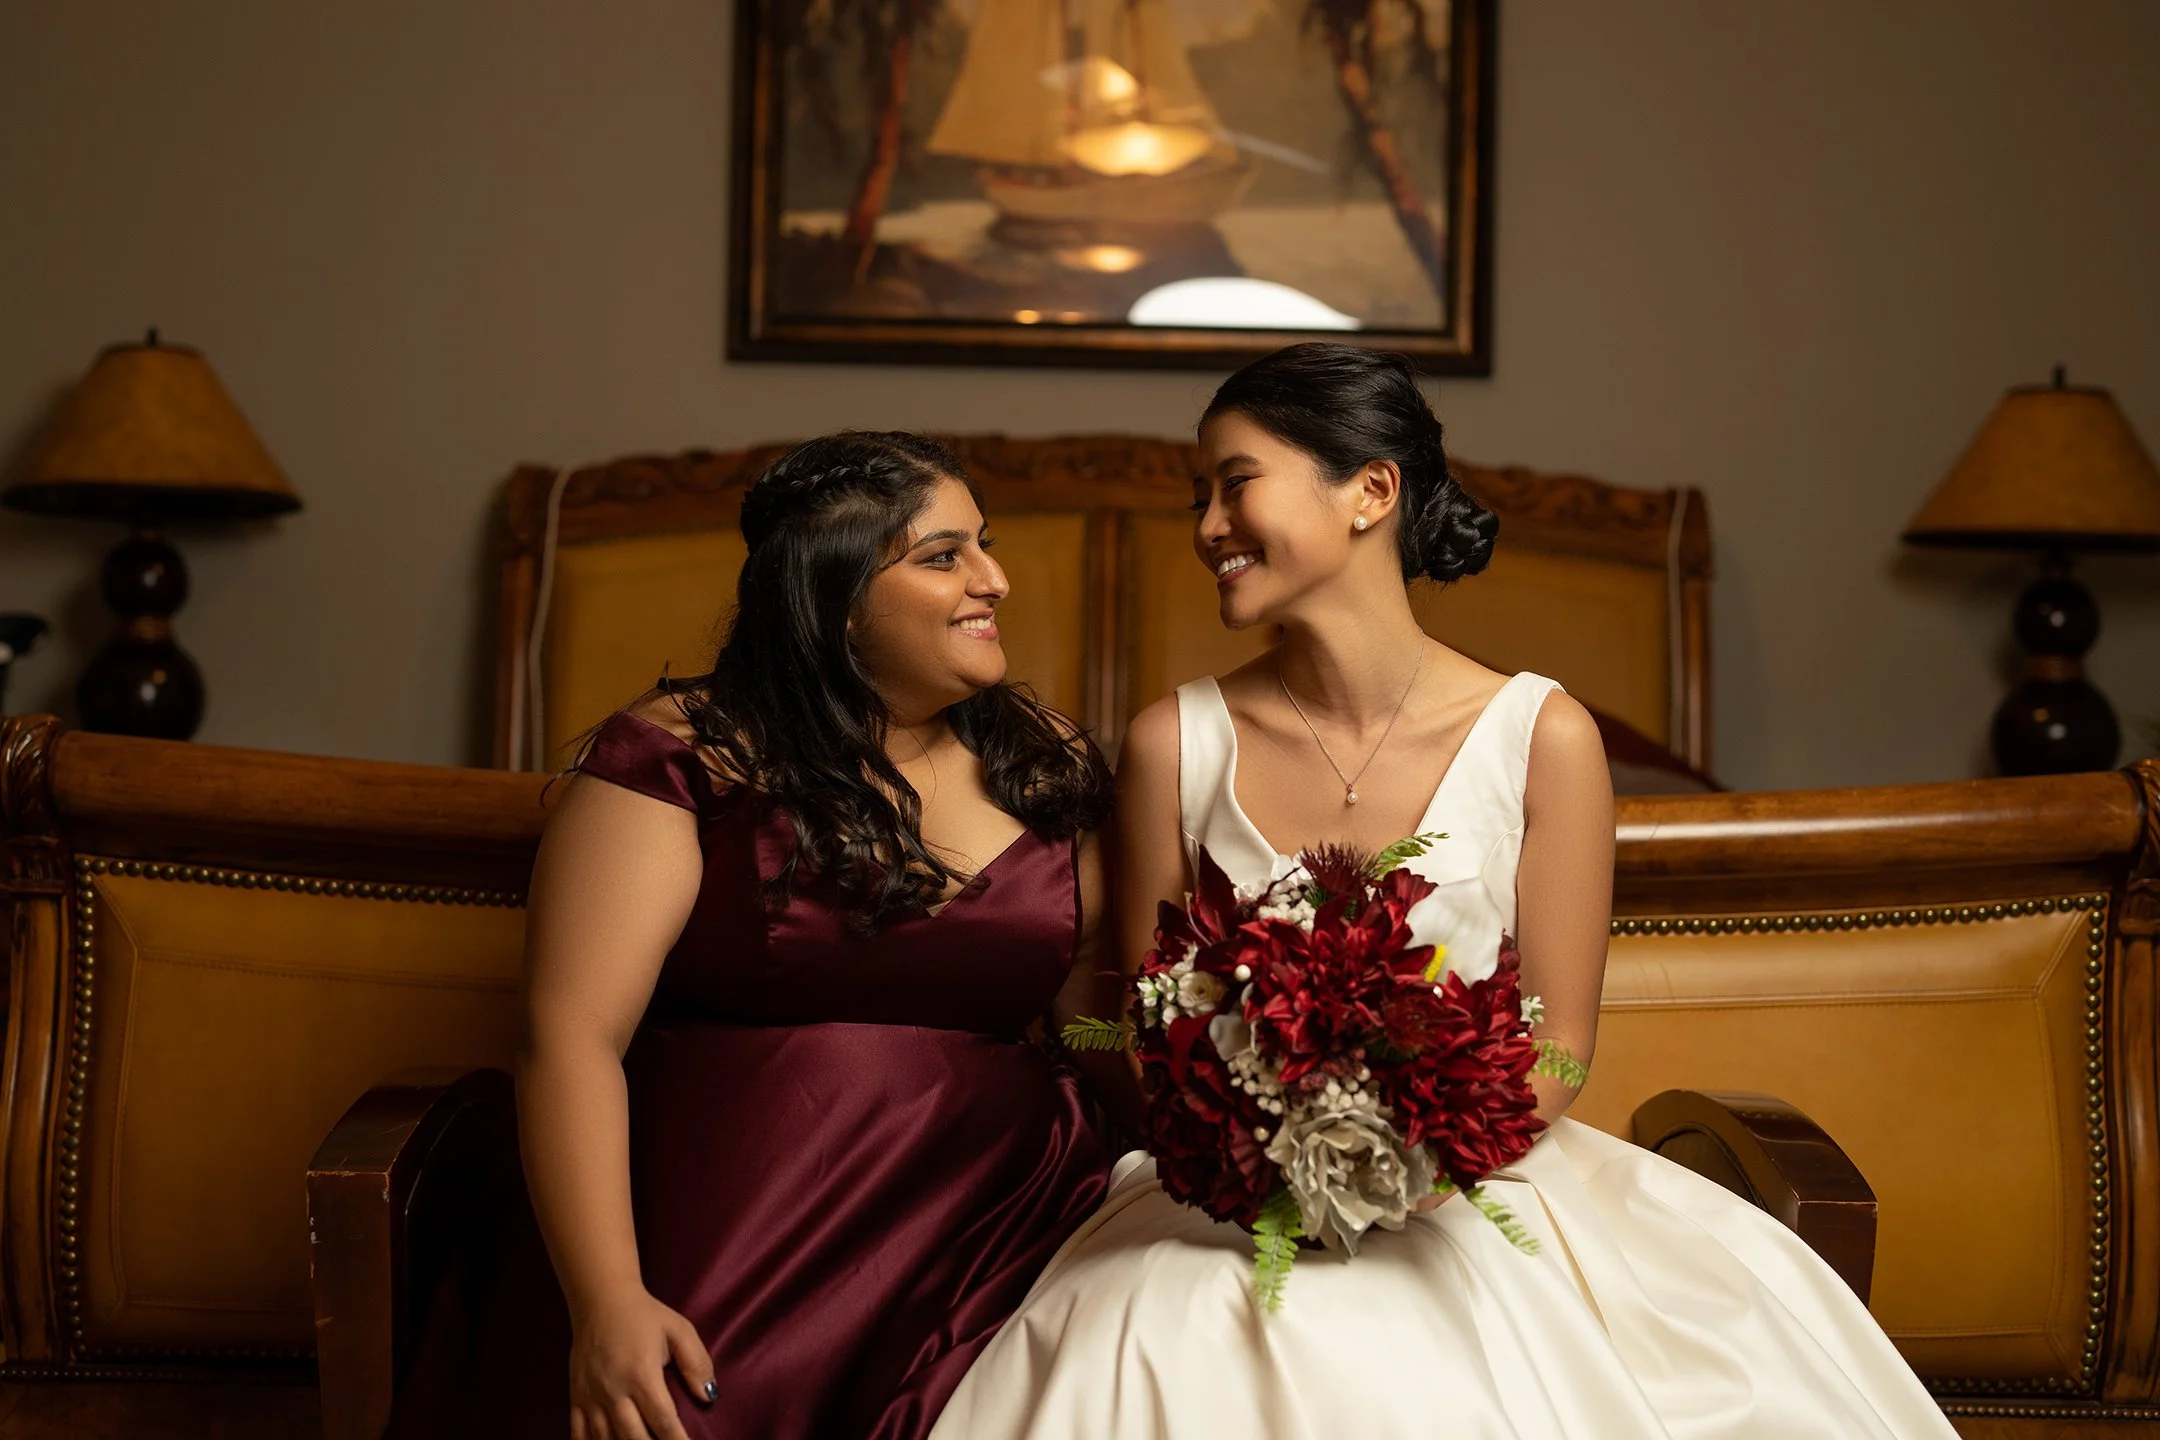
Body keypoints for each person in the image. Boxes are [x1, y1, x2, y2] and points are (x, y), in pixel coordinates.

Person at [928, 345, 1958, 1439]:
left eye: (1236, 484)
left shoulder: (1545, 738)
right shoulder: (1172, 742)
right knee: (1175, 1331)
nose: (1209, 527)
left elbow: (1560, 1045)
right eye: (1200, 499)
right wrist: (1251, 1155)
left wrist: (1411, 1165)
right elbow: (1138, 1023)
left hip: (1476, 1186)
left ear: (1372, 490)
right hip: (1228, 1201)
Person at [391, 431, 1119, 1440]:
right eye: (944, 555)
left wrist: (1249, 1104)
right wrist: (608, 1301)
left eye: (984, 545)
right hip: (741, 1221)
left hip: (1009, 1225)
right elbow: (570, 1038)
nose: (994, 579)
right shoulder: (686, 756)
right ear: (834, 594)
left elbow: (1091, 1026)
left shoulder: (1048, 764)